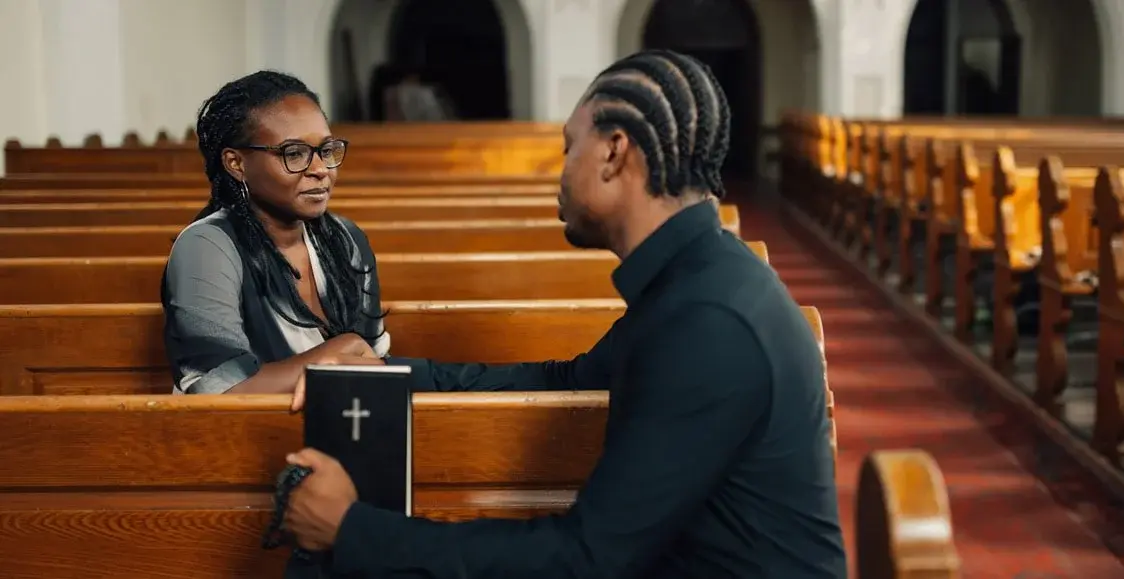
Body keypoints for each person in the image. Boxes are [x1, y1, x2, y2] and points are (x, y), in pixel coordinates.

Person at [282, 50, 847, 578]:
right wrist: (386, 375)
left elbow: (587, 559)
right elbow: (567, 379)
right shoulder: (698, 279)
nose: (561, 170)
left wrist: (352, 529)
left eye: (569, 147)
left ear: (614, 152)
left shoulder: (708, 319)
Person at [161, 70, 396, 396]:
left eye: (326, 150)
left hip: (343, 420)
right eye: (294, 153)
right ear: (236, 163)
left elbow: (372, 365)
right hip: (239, 428)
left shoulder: (346, 239)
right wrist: (330, 356)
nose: (320, 169)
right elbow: (216, 393)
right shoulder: (206, 248)